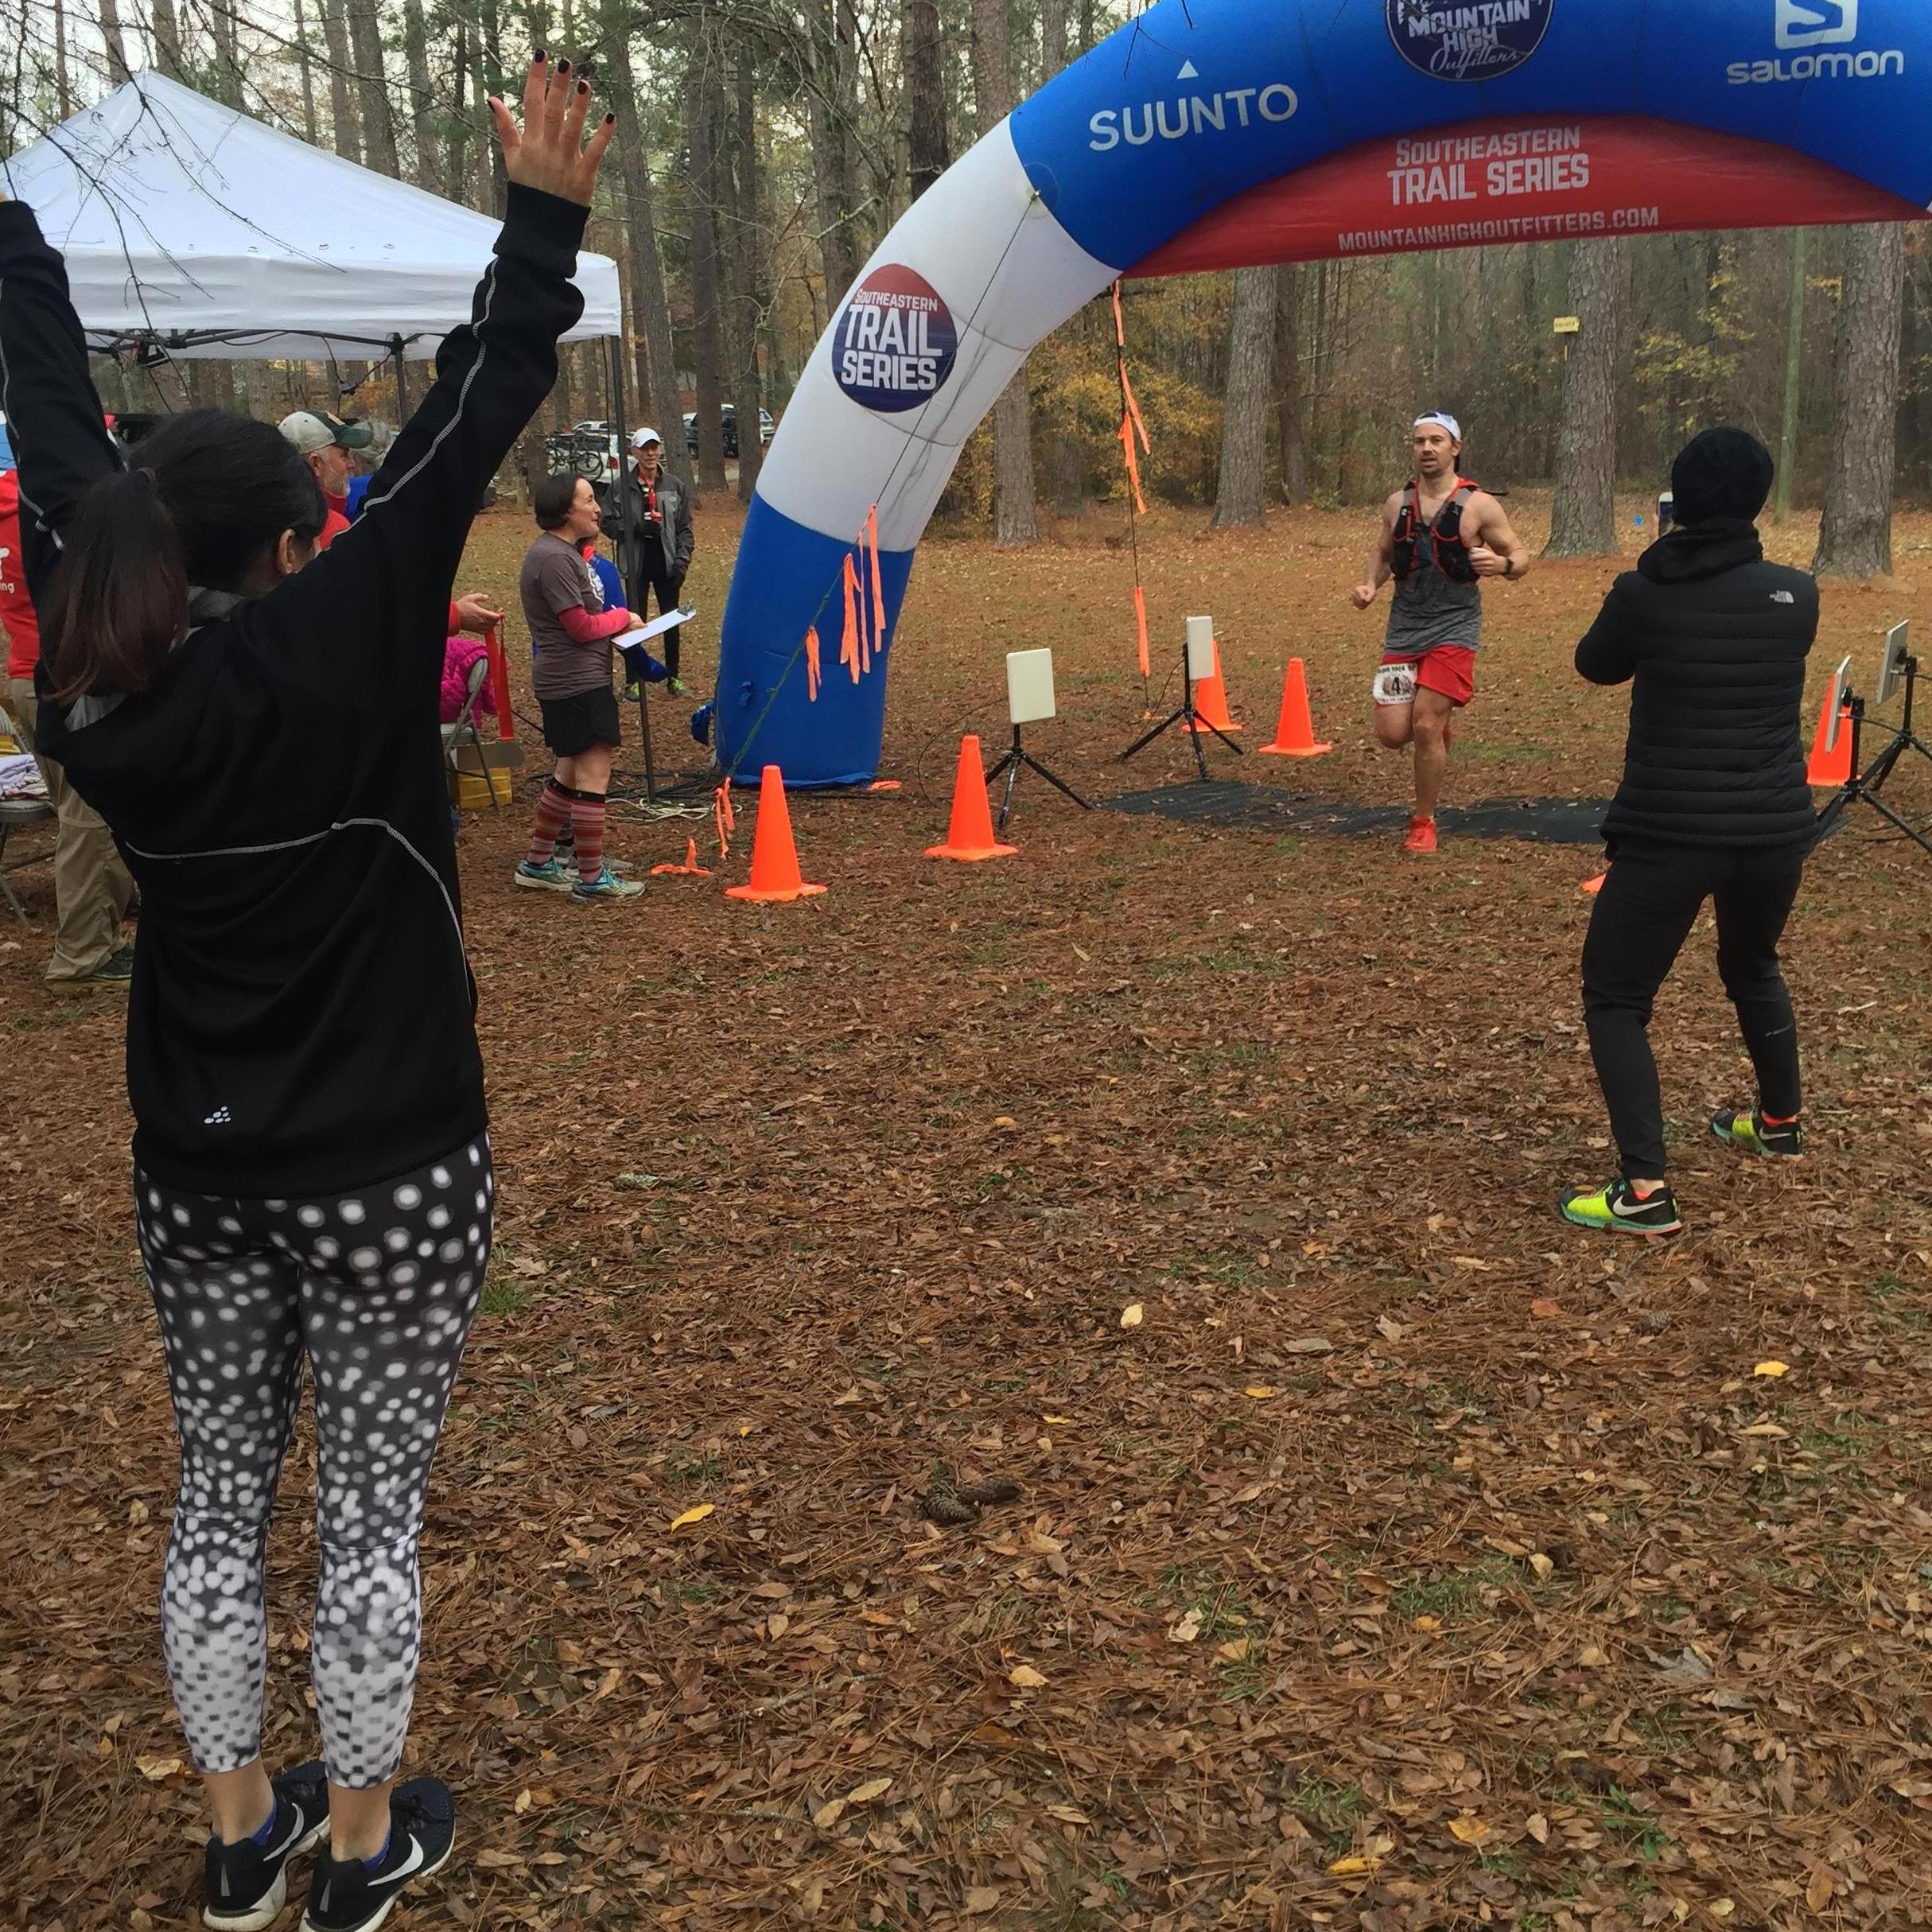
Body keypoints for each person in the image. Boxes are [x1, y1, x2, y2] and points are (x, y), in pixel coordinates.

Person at [0, 56, 616, 1932]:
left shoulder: (104, 690)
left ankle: (237, 1836)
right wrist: (539, 218)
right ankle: (354, 1855)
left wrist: (14, 233)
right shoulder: (347, 634)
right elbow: (478, 405)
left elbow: (59, 448)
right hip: (398, 1166)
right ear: (292, 546)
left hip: (201, 1176)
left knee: (216, 1500)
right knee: (364, 1513)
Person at [1561, 427, 1817, 1238]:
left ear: (1674, 500)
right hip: (1774, 830)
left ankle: (1643, 1189)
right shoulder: (1796, 594)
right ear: (1758, 501)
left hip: (1668, 831)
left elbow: (1594, 663)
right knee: (1751, 964)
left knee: (1614, 996)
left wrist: (1638, 582)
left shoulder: (1641, 592)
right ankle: (1777, 1121)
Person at [1353, 411, 1530, 853]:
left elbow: (1521, 555)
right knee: (1393, 734)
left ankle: (1423, 821)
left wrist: (1504, 565)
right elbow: (1382, 551)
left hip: (1455, 627)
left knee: (1426, 723)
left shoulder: (1479, 505)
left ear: (1455, 447)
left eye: (1436, 440)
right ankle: (1435, 733)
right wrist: (1370, 584)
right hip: (1404, 627)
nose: (1427, 449)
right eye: (1419, 441)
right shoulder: (1397, 504)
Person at [1, 464, 137, 988]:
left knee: (84, 812)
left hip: (28, 674)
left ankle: (102, 925)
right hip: (67, 677)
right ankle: (83, 954)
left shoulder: (10, 514)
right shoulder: (56, 512)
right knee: (87, 818)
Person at [512, 472, 644, 901]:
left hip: (571, 678)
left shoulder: (560, 555)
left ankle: (537, 862)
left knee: (568, 771)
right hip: (576, 682)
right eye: (588, 500)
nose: (597, 508)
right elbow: (581, 626)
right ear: (567, 511)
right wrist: (622, 617)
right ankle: (592, 879)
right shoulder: (554, 558)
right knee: (593, 774)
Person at [613, 426, 694, 693]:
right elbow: (607, 523)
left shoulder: (674, 485)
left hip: (667, 563)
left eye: (654, 447)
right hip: (636, 564)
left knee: (672, 620)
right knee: (634, 623)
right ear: (634, 452)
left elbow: (685, 528)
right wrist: (634, 530)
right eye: (645, 448)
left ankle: (674, 676)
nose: (650, 453)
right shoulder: (621, 486)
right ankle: (633, 680)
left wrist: (682, 561)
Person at [278, 407, 375, 550]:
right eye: (344, 455)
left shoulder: (268, 519)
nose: (352, 464)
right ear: (315, 464)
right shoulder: (334, 530)